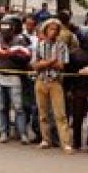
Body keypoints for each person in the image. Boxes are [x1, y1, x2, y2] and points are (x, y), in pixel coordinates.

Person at [0, 15, 32, 144]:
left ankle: (22, 133)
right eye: (3, 28)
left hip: (14, 77)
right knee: (0, 107)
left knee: (18, 107)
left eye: (8, 28)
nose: (5, 31)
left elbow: (26, 58)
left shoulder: (21, 41)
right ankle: (3, 132)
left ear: (13, 29)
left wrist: (10, 55)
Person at [33, 18, 73, 152]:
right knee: (43, 113)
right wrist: (49, 62)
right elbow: (35, 65)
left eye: (56, 29)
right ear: (45, 30)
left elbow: (61, 65)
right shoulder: (39, 45)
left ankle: (65, 142)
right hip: (41, 80)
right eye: (50, 29)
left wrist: (44, 63)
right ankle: (45, 139)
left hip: (55, 82)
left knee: (60, 114)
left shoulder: (62, 46)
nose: (53, 32)